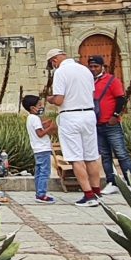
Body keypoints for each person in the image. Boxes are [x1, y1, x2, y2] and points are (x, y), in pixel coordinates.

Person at [45, 47, 104, 206]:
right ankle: (97, 191)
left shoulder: (60, 73)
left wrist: (50, 99)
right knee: (91, 156)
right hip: (89, 114)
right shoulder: (85, 70)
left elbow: (59, 100)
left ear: (54, 61)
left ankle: (88, 195)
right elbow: (92, 94)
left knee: (76, 157)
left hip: (70, 116)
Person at [89, 56, 131, 194]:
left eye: (96, 66)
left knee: (121, 153)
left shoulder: (112, 81)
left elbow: (121, 98)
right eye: (91, 66)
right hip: (97, 123)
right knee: (105, 155)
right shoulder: (89, 81)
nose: (93, 69)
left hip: (111, 123)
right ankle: (112, 182)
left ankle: (130, 183)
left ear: (103, 66)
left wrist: (115, 115)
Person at [22, 94, 56, 204]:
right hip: (43, 148)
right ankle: (42, 194)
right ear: (32, 108)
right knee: (44, 172)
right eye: (39, 105)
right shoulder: (35, 118)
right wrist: (50, 128)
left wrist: (45, 123)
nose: (41, 106)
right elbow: (40, 133)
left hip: (37, 149)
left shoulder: (30, 118)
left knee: (39, 172)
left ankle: (39, 193)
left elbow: (39, 126)